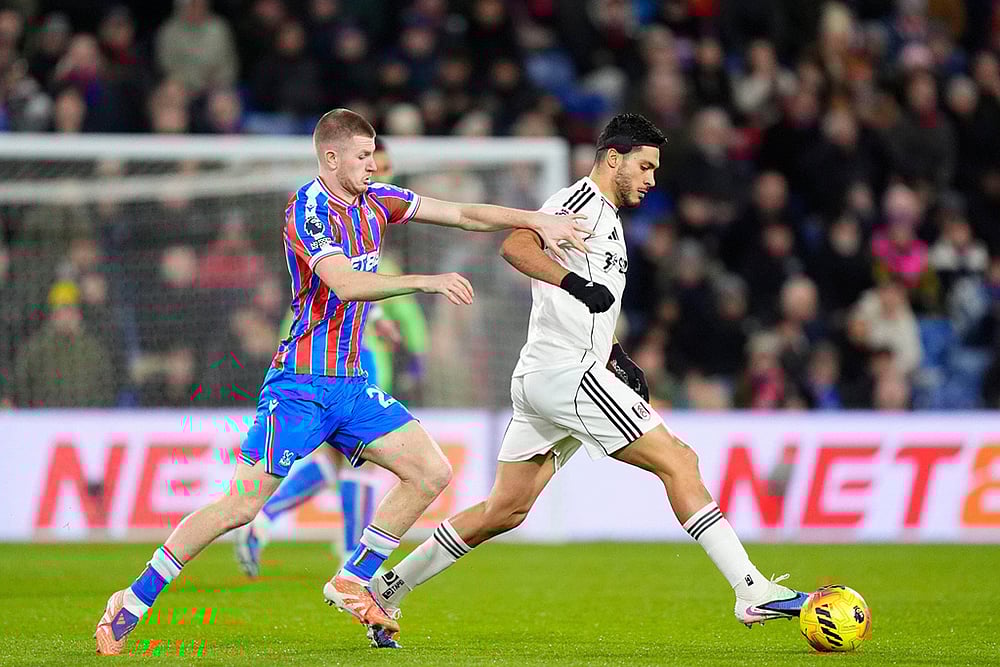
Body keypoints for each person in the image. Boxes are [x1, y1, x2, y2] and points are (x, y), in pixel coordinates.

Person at [93, 108, 589, 655]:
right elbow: (346, 284)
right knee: (240, 506)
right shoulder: (307, 209)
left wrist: (537, 221)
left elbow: (464, 213)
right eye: (361, 156)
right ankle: (132, 600)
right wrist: (425, 281)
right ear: (331, 157)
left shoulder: (379, 199)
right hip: (300, 383)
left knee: (430, 471)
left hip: (350, 384)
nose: (372, 165)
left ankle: (353, 578)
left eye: (373, 155)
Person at [369, 113, 808, 646]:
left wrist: (615, 350)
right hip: (566, 374)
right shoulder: (577, 204)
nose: (651, 179)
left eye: (655, 169)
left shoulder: (609, 218)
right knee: (680, 460)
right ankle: (751, 590)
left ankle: (386, 589)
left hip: (551, 375)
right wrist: (576, 283)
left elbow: (591, 302)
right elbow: (516, 246)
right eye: (644, 166)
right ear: (613, 159)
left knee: (504, 510)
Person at [233, 137, 425, 576]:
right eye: (376, 162)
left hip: (320, 352)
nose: (381, 172)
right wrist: (402, 338)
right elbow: (349, 287)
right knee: (356, 461)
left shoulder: (360, 218)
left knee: (332, 461)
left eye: (385, 164)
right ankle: (348, 552)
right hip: (344, 360)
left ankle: (265, 521)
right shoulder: (337, 216)